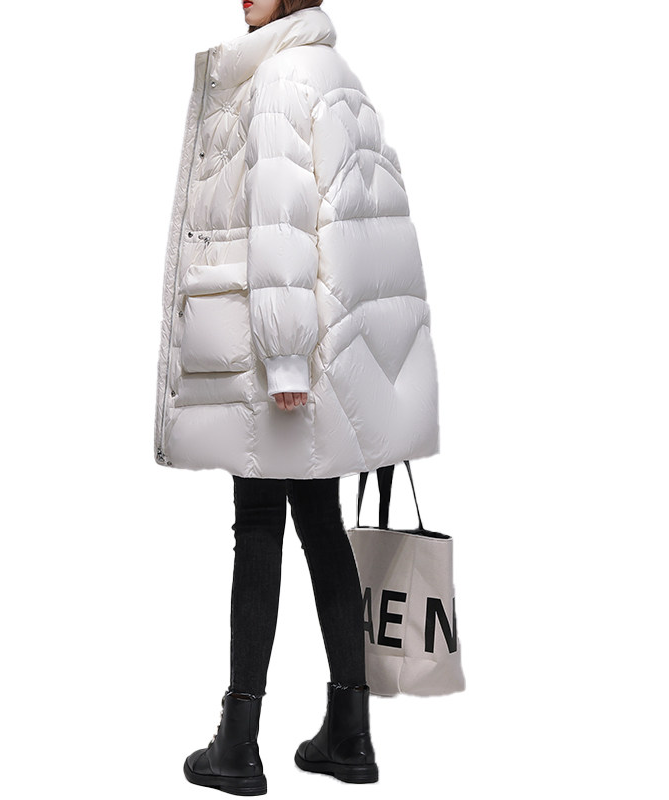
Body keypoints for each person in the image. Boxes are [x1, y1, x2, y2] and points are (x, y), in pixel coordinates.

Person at [153, 1, 440, 794]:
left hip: (281, 355)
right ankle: (349, 732)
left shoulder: (277, 77)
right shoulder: (336, 72)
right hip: (329, 354)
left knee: (259, 527)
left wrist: (283, 360)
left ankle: (238, 743)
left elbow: (282, 224)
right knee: (318, 525)